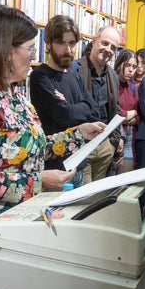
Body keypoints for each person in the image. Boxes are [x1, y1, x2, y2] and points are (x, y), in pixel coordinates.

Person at [0, 5, 104, 272]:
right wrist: (39, 180)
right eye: (31, 49)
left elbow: (32, 149)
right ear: (5, 49)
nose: (34, 57)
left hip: (18, 217)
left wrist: (78, 134)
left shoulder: (14, 94)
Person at [29, 15, 97, 180]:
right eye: (61, 43)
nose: (68, 50)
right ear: (48, 44)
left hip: (79, 162)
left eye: (72, 43)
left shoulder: (75, 76)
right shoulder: (40, 76)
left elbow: (94, 111)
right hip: (55, 169)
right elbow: (64, 116)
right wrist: (80, 108)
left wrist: (68, 106)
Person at [73, 25, 124, 182]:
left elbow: (115, 109)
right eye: (105, 43)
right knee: (83, 198)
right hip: (82, 146)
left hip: (105, 146)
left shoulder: (113, 75)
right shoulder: (74, 69)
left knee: (99, 198)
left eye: (113, 47)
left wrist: (114, 141)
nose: (108, 49)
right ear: (94, 41)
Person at [114, 49, 140, 173]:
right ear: (119, 64)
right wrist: (128, 114)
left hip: (129, 136)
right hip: (114, 134)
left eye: (134, 67)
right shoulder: (111, 82)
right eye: (128, 65)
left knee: (125, 182)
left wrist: (131, 115)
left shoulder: (132, 86)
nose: (131, 70)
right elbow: (113, 111)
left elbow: (137, 112)